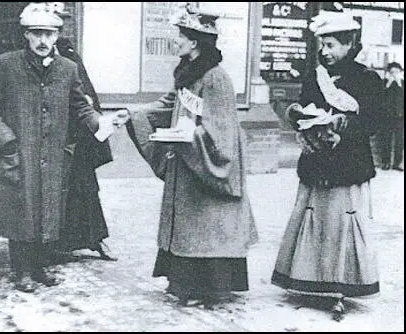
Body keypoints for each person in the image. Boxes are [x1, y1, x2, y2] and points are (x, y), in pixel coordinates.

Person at [115, 6, 258, 309]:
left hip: (206, 164)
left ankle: (212, 289)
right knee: (193, 226)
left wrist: (190, 137)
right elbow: (171, 104)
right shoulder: (189, 72)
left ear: (194, 42)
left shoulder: (215, 78)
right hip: (190, 162)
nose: (175, 41)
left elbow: (220, 131)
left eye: (179, 36)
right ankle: (186, 283)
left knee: (208, 226)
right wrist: (134, 114)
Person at [0, 4, 118, 292]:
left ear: (57, 36)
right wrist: (5, 139)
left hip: (54, 154)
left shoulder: (68, 69)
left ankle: (39, 267)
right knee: (22, 210)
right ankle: (21, 271)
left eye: (49, 34)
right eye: (37, 34)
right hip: (19, 151)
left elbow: (80, 105)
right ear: (26, 35)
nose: (43, 41)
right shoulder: (6, 64)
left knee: (48, 212)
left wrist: (100, 122)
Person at [271, 8, 383, 321]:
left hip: (347, 164)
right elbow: (303, 106)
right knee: (314, 219)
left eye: (332, 45)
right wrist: (298, 115)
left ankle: (338, 289)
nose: (325, 51)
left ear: (349, 44)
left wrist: (343, 123)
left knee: (340, 225)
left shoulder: (366, 79)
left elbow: (375, 121)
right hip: (317, 158)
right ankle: (310, 284)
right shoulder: (314, 77)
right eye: (323, 45)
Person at [52, 35, 117, 262]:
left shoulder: (67, 51)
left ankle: (96, 239)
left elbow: (85, 93)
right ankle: (57, 243)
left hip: (78, 134)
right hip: (52, 136)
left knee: (86, 189)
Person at [379, 62, 404, 171]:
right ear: (388, 73)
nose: (394, 74)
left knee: (400, 141)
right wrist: (388, 85)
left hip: (400, 116)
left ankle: (397, 164)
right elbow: (379, 97)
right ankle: (385, 162)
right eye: (392, 72)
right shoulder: (384, 83)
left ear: (401, 73)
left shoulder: (402, 83)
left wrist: (399, 84)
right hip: (386, 116)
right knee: (386, 140)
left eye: (397, 72)